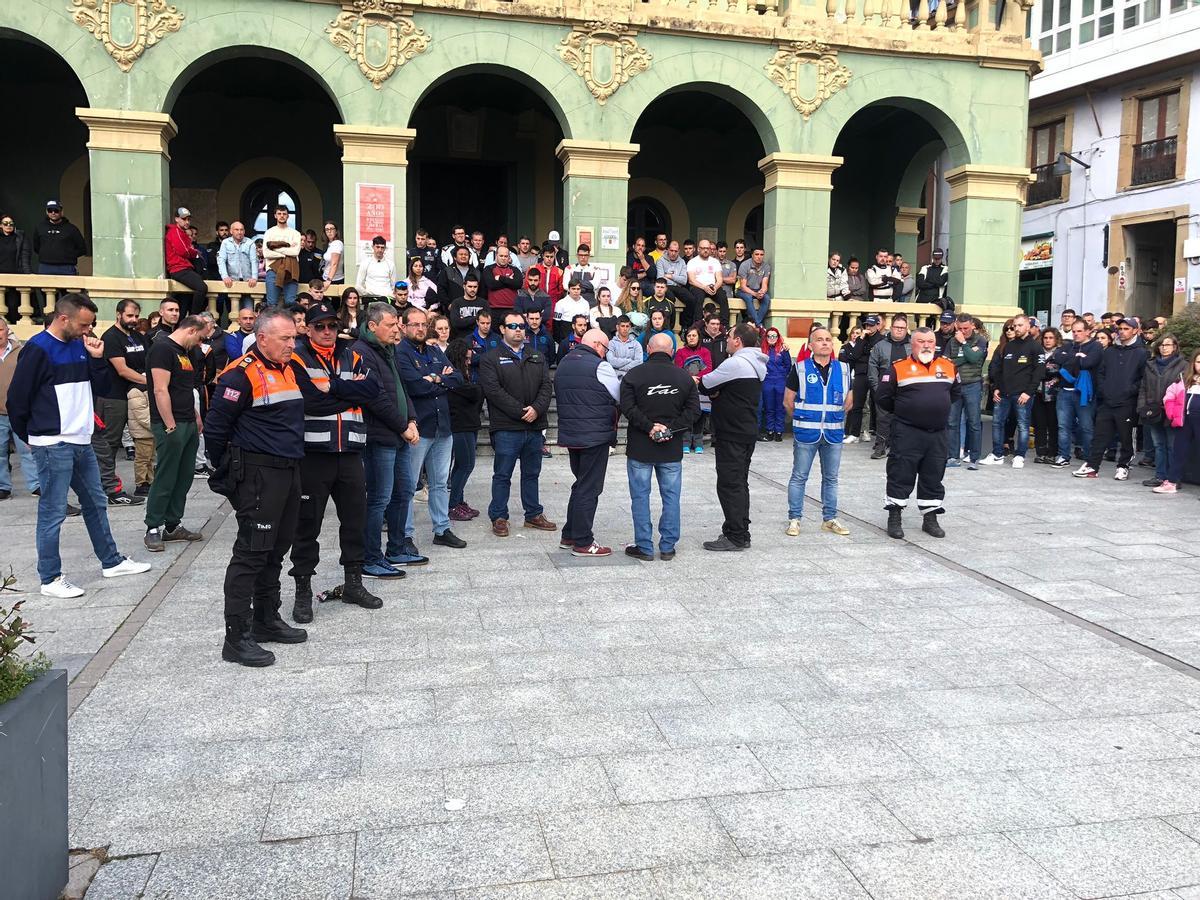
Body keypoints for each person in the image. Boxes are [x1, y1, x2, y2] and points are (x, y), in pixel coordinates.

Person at [7, 293, 151, 597]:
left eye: (91, 324)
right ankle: (50, 578)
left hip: (81, 440)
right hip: (53, 442)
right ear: (64, 318)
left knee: (96, 502)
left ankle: (111, 561)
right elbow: (17, 400)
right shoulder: (37, 348)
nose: (89, 330)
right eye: (84, 324)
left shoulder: (80, 345)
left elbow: (102, 388)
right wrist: (31, 438)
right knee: (53, 510)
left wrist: (97, 360)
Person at [202, 308, 307, 664]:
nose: (292, 344)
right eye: (285, 338)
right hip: (259, 474)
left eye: (293, 338)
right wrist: (231, 474)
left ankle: (266, 618)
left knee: (276, 549)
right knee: (251, 553)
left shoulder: (288, 368)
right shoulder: (240, 374)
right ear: (262, 338)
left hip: (288, 471)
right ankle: (236, 637)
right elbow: (216, 429)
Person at [286, 302, 382, 623]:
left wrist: (336, 388)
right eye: (320, 326)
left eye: (331, 325)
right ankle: (302, 591)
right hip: (315, 454)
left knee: (355, 520)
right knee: (307, 525)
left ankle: (353, 583)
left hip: (351, 453)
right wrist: (350, 396)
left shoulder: (351, 355)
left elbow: (372, 389)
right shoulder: (298, 357)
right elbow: (309, 400)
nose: (327, 331)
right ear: (308, 329)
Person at [353, 302, 422, 578]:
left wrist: (412, 419)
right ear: (372, 326)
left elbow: (401, 389)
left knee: (403, 492)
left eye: (397, 324)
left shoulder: (388, 350)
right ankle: (370, 557)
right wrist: (403, 426)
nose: (397, 329)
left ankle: (396, 548)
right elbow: (375, 397)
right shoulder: (361, 352)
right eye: (391, 325)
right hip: (379, 437)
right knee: (379, 498)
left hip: (399, 434)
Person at [620, 332, 699, 560]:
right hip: (671, 449)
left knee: (640, 497)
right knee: (671, 497)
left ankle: (644, 546)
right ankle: (667, 546)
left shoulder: (634, 375)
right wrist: (669, 429)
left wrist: (649, 427)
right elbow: (693, 411)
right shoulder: (684, 377)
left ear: (648, 349)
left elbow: (627, 407)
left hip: (640, 448)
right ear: (672, 351)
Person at [395, 306, 468, 550]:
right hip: (418, 428)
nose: (420, 328)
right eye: (414, 324)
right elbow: (414, 386)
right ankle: (405, 535)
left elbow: (457, 379)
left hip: (442, 426)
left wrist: (435, 378)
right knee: (408, 485)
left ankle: (442, 529)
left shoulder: (435, 350)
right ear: (403, 326)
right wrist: (441, 379)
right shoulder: (400, 353)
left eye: (423, 324)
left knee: (439, 483)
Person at [876, 326, 960, 540]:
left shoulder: (949, 366)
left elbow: (954, 394)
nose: (926, 345)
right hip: (907, 432)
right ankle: (894, 517)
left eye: (930, 342)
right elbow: (883, 398)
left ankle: (930, 518)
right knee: (900, 473)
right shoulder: (898, 368)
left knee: (933, 475)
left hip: (937, 434)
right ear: (911, 344)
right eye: (921, 341)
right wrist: (908, 411)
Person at [479, 311, 556, 537]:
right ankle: (499, 516)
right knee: (502, 474)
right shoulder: (490, 358)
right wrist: (522, 412)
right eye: (512, 326)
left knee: (532, 473)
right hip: (507, 427)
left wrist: (536, 409)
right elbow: (493, 391)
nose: (518, 330)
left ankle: (533, 514)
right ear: (502, 329)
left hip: (534, 426)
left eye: (521, 326)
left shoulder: (537, 355)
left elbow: (546, 387)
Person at [698, 323, 767, 551]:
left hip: (731, 432)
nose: (726, 340)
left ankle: (735, 535)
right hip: (745, 430)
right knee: (740, 483)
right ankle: (741, 531)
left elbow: (706, 384)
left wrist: (713, 391)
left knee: (729, 484)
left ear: (738, 341)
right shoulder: (755, 362)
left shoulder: (735, 363)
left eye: (729, 336)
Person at [142, 314, 207, 551]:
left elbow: (184, 388)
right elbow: (160, 390)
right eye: (200, 338)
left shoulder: (185, 353)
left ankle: (172, 524)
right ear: (191, 330)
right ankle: (153, 526)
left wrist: (196, 415)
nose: (200, 343)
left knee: (184, 475)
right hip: (170, 423)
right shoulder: (162, 349)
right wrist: (169, 424)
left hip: (187, 420)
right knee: (166, 475)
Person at [783, 325, 852, 537]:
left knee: (831, 478)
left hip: (833, 433)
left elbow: (848, 402)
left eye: (828, 340)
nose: (825, 343)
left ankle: (829, 519)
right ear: (810, 345)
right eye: (820, 339)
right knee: (799, 476)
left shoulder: (844, 369)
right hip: (806, 433)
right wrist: (803, 419)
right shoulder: (800, 368)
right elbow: (788, 401)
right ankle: (794, 519)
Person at [557, 329, 620, 556]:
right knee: (589, 488)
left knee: (580, 484)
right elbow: (618, 394)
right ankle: (583, 541)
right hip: (594, 435)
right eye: (606, 349)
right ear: (597, 345)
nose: (605, 353)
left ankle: (569, 534)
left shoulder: (564, 362)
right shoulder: (599, 365)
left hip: (571, 434)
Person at [1075, 316, 1148, 480]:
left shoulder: (1142, 352)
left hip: (1127, 402)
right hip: (1107, 400)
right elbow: (1101, 373)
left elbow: (1143, 378)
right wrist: (1104, 389)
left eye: (1126, 329)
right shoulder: (1110, 351)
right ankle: (1092, 466)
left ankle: (1123, 466)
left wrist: (1129, 391)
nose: (1122, 332)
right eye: (1120, 329)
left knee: (1126, 437)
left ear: (1135, 331)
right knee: (1100, 435)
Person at [981, 314, 1043, 469]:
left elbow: (1039, 371)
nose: (1016, 328)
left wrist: (1028, 392)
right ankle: (997, 454)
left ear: (1028, 326)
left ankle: (1020, 455)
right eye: (1015, 325)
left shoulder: (1035, 346)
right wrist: (996, 388)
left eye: (1020, 325)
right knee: (997, 423)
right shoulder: (1009, 346)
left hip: (1022, 394)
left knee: (1023, 425)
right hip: (1004, 393)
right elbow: (1001, 371)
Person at [1049, 318, 1100, 467]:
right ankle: (1063, 456)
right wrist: (1076, 357)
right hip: (1064, 392)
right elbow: (1057, 358)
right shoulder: (1068, 345)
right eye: (1074, 331)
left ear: (1088, 331)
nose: (1076, 334)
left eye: (1079, 331)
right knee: (1063, 426)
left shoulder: (1095, 346)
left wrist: (1071, 359)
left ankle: (1090, 460)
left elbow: (1088, 363)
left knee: (1086, 427)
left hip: (1083, 392)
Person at [1138, 334, 1185, 488]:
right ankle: (1160, 475)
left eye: (1168, 345)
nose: (1164, 348)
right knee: (1158, 444)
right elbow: (1143, 387)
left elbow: (1183, 389)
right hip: (1153, 410)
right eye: (1161, 345)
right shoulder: (1150, 364)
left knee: (1172, 445)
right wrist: (1142, 406)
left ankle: (1173, 478)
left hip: (1172, 411)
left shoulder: (1183, 365)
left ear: (1175, 347)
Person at [444, 339, 483, 522]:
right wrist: (475, 389)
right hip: (460, 425)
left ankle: (458, 501)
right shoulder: (453, 375)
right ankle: (453, 505)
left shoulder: (460, 375)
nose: (469, 362)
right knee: (466, 464)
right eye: (466, 359)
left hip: (468, 423)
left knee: (461, 465)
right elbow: (474, 393)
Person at [942, 313, 988, 469]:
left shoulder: (980, 340)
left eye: (966, 328)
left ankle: (974, 458)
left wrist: (963, 343)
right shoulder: (951, 341)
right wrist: (966, 357)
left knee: (974, 422)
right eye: (960, 329)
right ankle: (953, 456)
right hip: (955, 385)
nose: (963, 331)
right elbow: (947, 363)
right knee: (952, 422)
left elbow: (975, 359)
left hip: (972, 385)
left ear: (972, 325)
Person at [0, 318, 39, 499]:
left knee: (28, 450)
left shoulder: (21, 351)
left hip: (20, 411)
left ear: (7, 330)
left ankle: (36, 485)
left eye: (0, 330)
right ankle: (3, 487)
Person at [1154, 349, 1200, 494]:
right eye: (1198, 362)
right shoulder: (1184, 380)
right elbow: (1170, 395)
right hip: (1185, 420)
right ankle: (1172, 481)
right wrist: (1172, 413)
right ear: (1193, 363)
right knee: (1179, 450)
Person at [867, 314, 912, 459]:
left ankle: (901, 447)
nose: (899, 330)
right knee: (883, 419)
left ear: (906, 329)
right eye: (896, 327)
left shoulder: (912, 346)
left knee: (904, 418)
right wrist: (876, 387)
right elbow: (872, 366)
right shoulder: (880, 345)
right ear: (891, 328)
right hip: (884, 388)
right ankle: (880, 447)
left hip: (906, 389)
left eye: (902, 328)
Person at [840, 314, 883, 443]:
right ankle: (854, 434)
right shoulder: (861, 339)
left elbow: (876, 356)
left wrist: (865, 354)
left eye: (871, 325)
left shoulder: (881, 339)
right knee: (857, 405)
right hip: (861, 373)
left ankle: (881, 435)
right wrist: (861, 339)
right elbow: (854, 355)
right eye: (867, 325)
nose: (868, 327)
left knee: (879, 405)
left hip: (876, 374)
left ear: (877, 326)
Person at [674, 326, 713, 453]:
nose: (691, 338)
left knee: (701, 414)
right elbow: (678, 369)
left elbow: (708, 368)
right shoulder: (680, 352)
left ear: (698, 337)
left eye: (694, 335)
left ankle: (698, 443)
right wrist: (690, 378)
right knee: (686, 413)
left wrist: (697, 378)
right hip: (686, 386)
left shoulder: (705, 352)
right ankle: (685, 442)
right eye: (689, 335)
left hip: (701, 386)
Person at [164, 208, 207, 315]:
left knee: (184, 302)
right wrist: (195, 252)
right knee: (202, 288)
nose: (187, 222)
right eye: (184, 219)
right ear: (177, 219)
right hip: (179, 268)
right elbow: (184, 251)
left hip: (183, 268)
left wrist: (192, 251)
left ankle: (187, 320)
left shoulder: (180, 232)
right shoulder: (175, 232)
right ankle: (193, 317)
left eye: (188, 219)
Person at [1031, 328, 1062, 464]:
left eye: (1051, 338)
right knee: (1040, 424)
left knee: (1053, 424)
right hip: (1038, 392)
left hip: (1054, 394)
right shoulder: (1037, 352)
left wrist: (1042, 371)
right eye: (1045, 338)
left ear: (1056, 339)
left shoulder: (1060, 353)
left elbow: (1056, 370)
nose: (1048, 340)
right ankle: (1041, 452)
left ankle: (1052, 452)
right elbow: (1032, 370)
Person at [262, 204, 302, 308]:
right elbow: (266, 253)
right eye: (279, 213)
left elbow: (295, 252)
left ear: (288, 216)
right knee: (272, 304)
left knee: (290, 303)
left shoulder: (295, 233)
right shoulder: (269, 232)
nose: (282, 216)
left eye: (284, 214)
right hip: (272, 270)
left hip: (291, 269)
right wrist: (287, 250)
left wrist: (274, 248)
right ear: (275, 215)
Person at [217, 221, 259, 312]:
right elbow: (221, 261)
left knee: (249, 310)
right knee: (234, 312)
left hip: (248, 282)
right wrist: (225, 276)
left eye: (241, 230)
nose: (239, 232)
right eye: (236, 230)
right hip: (232, 282)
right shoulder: (225, 243)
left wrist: (254, 278)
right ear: (231, 231)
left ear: (244, 231)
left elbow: (254, 261)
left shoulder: (250, 243)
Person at [684, 239, 727, 327]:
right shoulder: (692, 262)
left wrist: (715, 287)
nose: (706, 250)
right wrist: (704, 287)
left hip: (712, 286)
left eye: (708, 248)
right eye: (703, 248)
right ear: (698, 249)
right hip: (698, 286)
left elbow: (719, 279)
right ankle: (698, 325)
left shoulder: (715, 262)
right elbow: (691, 280)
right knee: (698, 297)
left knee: (723, 297)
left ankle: (724, 325)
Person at [760, 327, 792, 442]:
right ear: (766, 337)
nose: (772, 338)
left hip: (780, 381)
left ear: (778, 337)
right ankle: (770, 431)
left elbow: (788, 365)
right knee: (769, 407)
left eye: (774, 336)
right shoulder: (762, 350)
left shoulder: (783, 350)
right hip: (767, 381)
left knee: (780, 408)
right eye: (769, 336)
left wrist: (782, 375)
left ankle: (779, 431)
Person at [736, 247, 771, 327]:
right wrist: (755, 294)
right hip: (743, 290)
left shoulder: (766, 266)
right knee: (748, 297)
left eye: (761, 255)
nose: (759, 257)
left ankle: (755, 323)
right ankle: (758, 324)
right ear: (752, 255)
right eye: (757, 254)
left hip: (757, 290)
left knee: (766, 298)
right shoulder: (745, 265)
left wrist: (762, 292)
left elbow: (765, 284)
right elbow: (743, 286)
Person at [356, 235, 397, 300]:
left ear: (385, 248)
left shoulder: (391, 264)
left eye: (382, 247)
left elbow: (393, 285)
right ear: (373, 247)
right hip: (370, 297)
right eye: (377, 247)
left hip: (386, 297)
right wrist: (366, 294)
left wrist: (391, 295)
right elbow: (359, 284)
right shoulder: (365, 263)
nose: (380, 250)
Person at [482, 246, 520, 312]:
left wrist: (500, 278)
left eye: (506, 256)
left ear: (509, 257)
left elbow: (518, 284)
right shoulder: (488, 269)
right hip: (494, 309)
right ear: (496, 256)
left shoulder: (515, 269)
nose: (503, 258)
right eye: (501, 256)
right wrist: (509, 280)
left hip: (512, 309)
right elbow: (491, 285)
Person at [554, 280, 591, 345]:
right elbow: (556, 325)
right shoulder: (560, 303)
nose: (576, 291)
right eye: (573, 289)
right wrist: (560, 342)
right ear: (569, 289)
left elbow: (587, 323)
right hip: (565, 339)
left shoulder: (586, 303)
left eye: (578, 289)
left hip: (582, 341)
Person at [607, 315, 641, 381]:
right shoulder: (611, 344)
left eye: (627, 326)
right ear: (617, 327)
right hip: (616, 378)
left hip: (632, 378)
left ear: (630, 327)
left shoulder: (636, 344)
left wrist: (621, 368)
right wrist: (629, 361)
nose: (625, 329)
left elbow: (639, 362)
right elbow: (611, 361)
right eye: (622, 326)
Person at [321, 221, 344, 286]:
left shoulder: (337, 243)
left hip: (334, 280)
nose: (329, 231)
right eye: (327, 229)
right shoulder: (330, 244)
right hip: (327, 278)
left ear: (336, 231)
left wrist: (328, 280)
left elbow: (334, 264)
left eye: (332, 229)